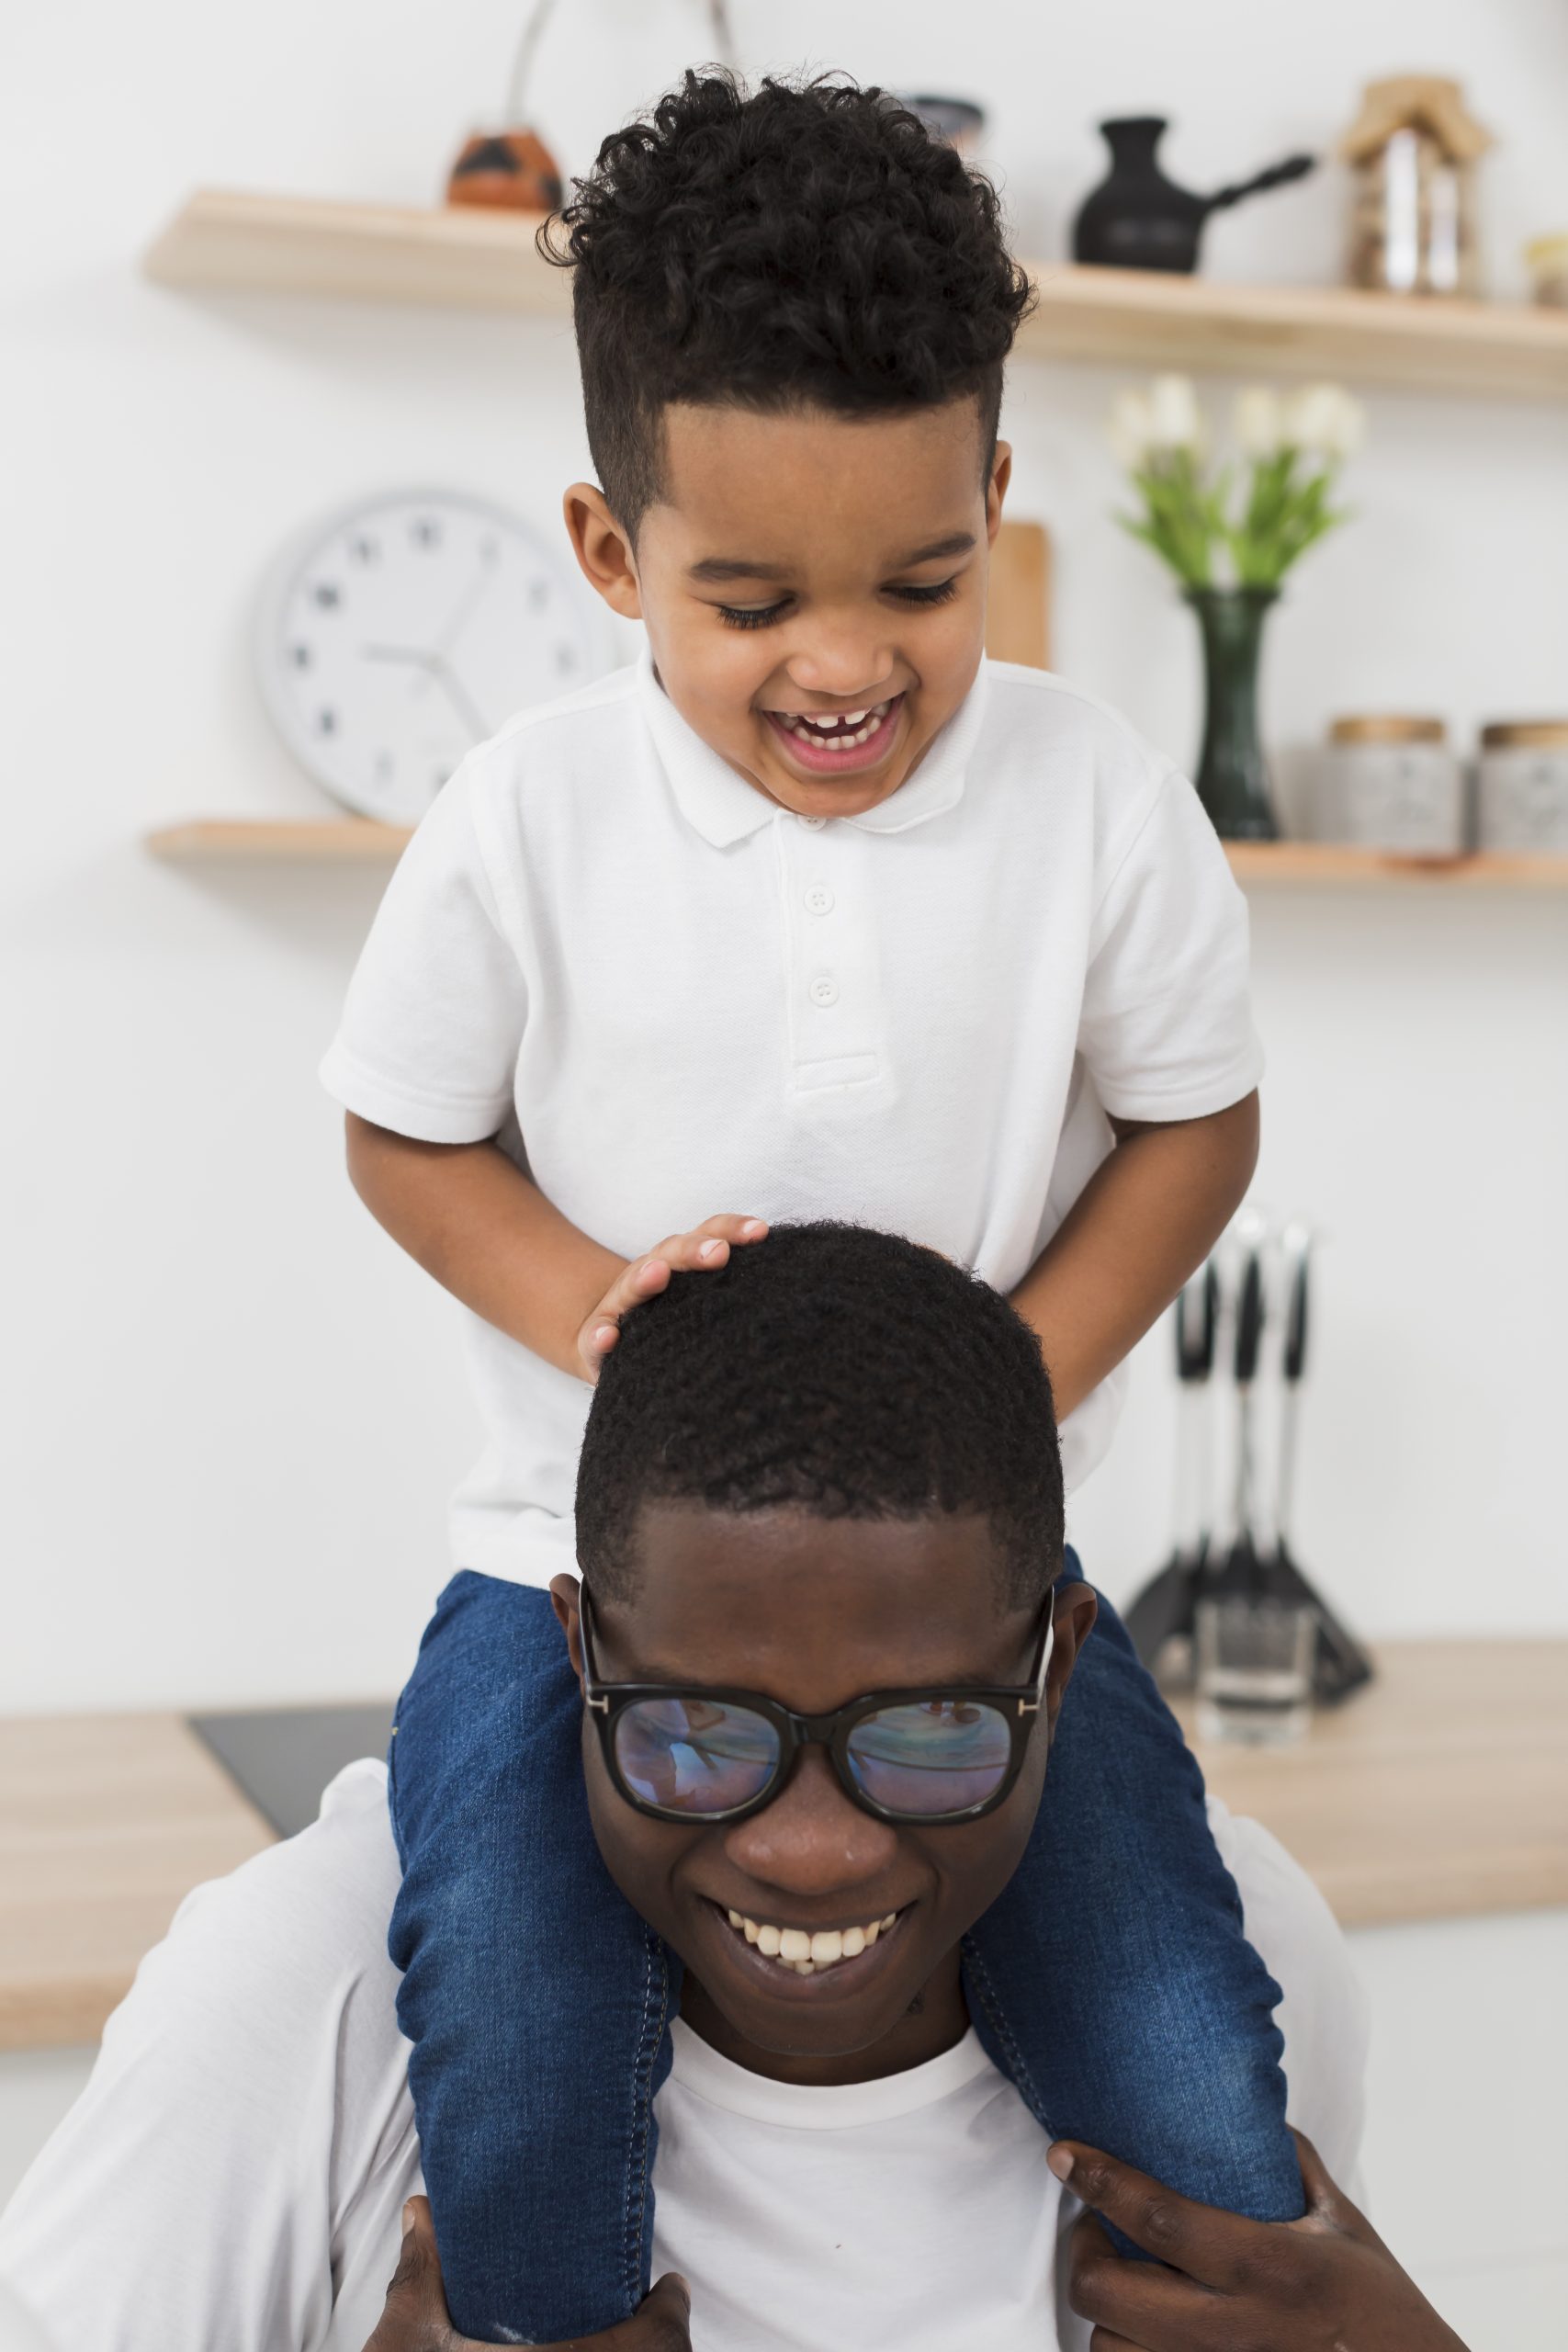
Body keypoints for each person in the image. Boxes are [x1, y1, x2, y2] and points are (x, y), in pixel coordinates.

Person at [319, 71, 1277, 2344]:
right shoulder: (524, 810)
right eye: (749, 600)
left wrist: (1014, 1377)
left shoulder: (1093, 797)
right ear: (604, 549)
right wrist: (586, 1311)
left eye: (920, 584)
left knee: (1192, 2085)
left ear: (994, 501)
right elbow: (401, 1129)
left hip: (984, 1595)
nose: (844, 665)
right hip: (556, 1567)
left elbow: (1195, 1122)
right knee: (528, 2058)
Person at [2, 1229, 1385, 2352]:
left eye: (929, 1733)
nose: (813, 1852)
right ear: (578, 1654)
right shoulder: (306, 1994)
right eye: (699, 1733)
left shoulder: (1241, 1962)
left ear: (1061, 1673)